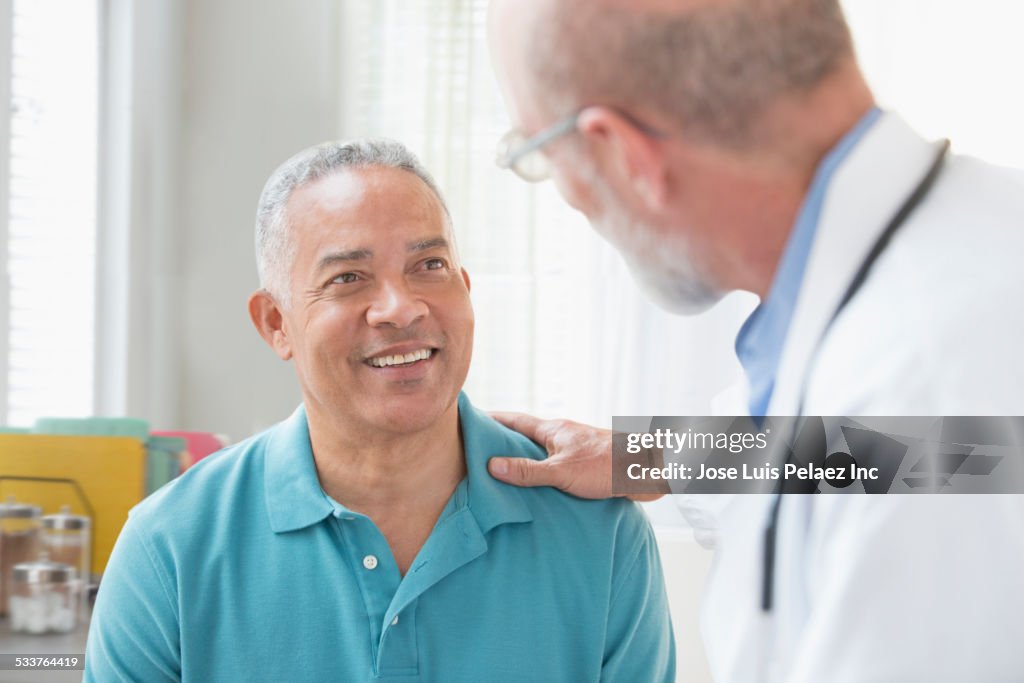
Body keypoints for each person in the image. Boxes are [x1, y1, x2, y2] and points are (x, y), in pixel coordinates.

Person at [486, 0, 1024, 680]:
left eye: (537, 156)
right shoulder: (957, 265)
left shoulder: (922, 370)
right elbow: (912, 452)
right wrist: (646, 455)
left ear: (621, 152)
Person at [84, 139, 674, 682]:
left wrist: (663, 459)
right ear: (275, 323)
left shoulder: (604, 531)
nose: (400, 308)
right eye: (348, 277)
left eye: (429, 266)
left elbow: (766, 458)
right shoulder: (169, 548)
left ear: (466, 287)